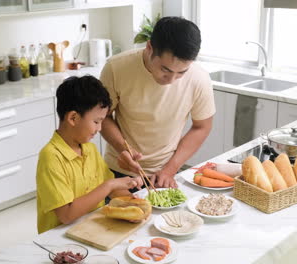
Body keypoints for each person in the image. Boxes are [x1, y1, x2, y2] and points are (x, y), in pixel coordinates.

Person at [100, 16, 215, 188]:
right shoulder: (116, 68)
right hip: (118, 170)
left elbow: (202, 126)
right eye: (165, 70)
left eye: (181, 72)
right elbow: (102, 116)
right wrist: (122, 149)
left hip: (164, 175)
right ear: (149, 47)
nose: (172, 79)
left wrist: (170, 169)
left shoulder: (199, 78)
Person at [36, 75, 143, 234]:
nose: (100, 129)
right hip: (61, 237)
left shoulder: (89, 149)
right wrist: (110, 186)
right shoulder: (51, 157)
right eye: (96, 122)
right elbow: (66, 215)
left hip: (92, 228)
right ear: (73, 118)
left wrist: (131, 202)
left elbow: (113, 189)